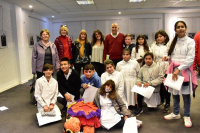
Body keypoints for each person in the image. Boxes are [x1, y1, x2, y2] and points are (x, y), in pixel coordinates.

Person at [163, 21, 197, 128]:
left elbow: (190, 59)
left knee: (186, 95)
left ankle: (187, 116)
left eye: (182, 27)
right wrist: (167, 57)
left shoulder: (190, 41)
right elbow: (169, 53)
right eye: (178, 27)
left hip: (184, 71)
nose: (180, 29)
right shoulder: (172, 41)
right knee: (175, 93)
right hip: (174, 71)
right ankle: (176, 113)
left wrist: (179, 69)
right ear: (175, 29)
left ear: (186, 28)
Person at [151, 30, 171, 113]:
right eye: (157, 37)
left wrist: (168, 58)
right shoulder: (153, 46)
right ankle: (161, 100)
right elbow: (151, 55)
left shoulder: (169, 45)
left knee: (166, 85)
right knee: (158, 84)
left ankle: (167, 103)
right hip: (157, 66)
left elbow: (172, 55)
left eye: (160, 36)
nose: (158, 38)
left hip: (167, 66)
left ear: (165, 37)